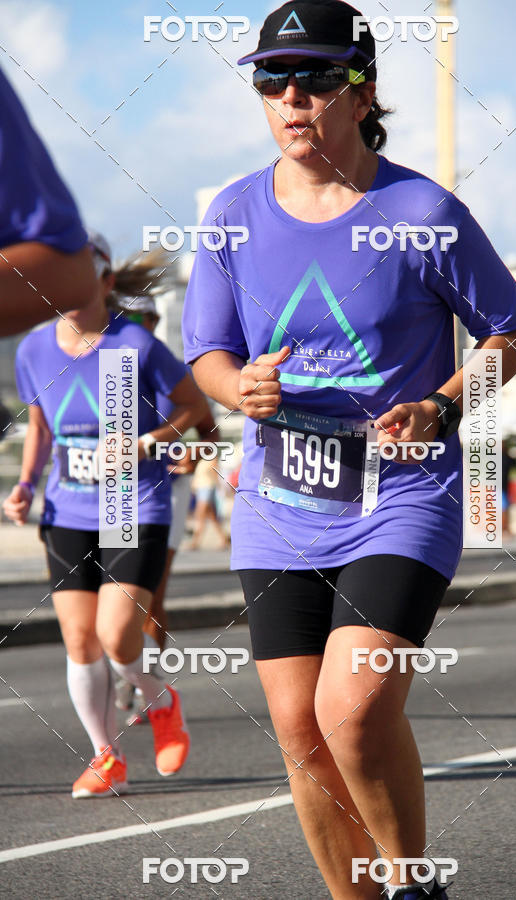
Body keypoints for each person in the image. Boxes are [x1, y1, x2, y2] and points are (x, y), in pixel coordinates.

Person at [182, 2, 516, 897]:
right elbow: (208, 354)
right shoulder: (232, 214)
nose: (291, 95)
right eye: (273, 78)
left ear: (362, 89)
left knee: (351, 707)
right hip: (280, 502)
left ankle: (412, 883)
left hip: (401, 494)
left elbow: (512, 330)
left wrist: (443, 405)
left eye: (315, 75)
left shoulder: (421, 211)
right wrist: (238, 389)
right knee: (301, 732)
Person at [3, 233, 207, 798]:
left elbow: (194, 405)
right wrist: (24, 486)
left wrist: (149, 441)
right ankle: (105, 755)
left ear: (105, 282)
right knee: (79, 640)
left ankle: (161, 701)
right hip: (66, 508)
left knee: (117, 636)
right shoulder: (33, 350)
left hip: (130, 502)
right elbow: (40, 426)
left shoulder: (133, 345)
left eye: (77, 278)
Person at [115, 294, 217, 725]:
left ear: (155, 320)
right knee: (114, 595)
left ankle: (146, 684)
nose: (133, 324)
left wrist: (193, 457)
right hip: (116, 492)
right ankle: (129, 670)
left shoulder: (173, 370)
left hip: (167, 492)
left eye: (142, 317)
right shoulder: (105, 368)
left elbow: (210, 432)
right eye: (124, 316)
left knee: (151, 595)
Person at [0, 66, 96, 336]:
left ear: (110, 280)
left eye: (99, 258)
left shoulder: (127, 344)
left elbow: (67, 270)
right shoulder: (35, 349)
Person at [188, 455, 231, 550]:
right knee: (212, 517)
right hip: (201, 489)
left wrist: (220, 487)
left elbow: (215, 473)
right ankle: (224, 539)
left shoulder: (211, 459)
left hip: (207, 488)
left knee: (199, 515)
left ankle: (195, 542)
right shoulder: (202, 459)